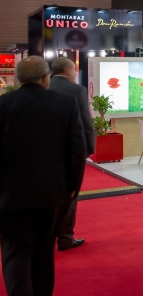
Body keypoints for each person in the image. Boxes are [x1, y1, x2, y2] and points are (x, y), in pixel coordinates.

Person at [0, 56, 86, 296]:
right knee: (44, 249)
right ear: (45, 77)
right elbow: (76, 150)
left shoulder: (3, 104)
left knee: (15, 251)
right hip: (52, 193)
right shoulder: (65, 103)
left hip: (9, 196)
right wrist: (72, 187)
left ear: (18, 78)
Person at [49, 57, 95, 252]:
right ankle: (65, 237)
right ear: (68, 70)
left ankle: (47, 235)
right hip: (71, 151)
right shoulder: (76, 90)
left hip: (45, 151)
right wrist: (90, 148)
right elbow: (85, 121)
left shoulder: (43, 86)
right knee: (70, 192)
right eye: (74, 70)